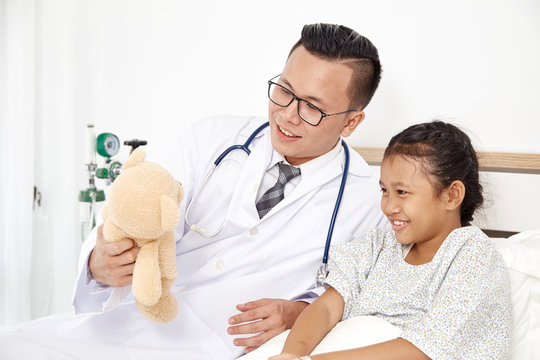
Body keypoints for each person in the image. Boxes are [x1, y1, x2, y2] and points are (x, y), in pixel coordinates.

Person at [0, 24, 387, 359]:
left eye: (312, 108)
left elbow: (368, 301)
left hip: (222, 345)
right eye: (284, 91)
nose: (287, 113)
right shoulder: (213, 139)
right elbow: (133, 205)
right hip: (124, 327)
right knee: (13, 344)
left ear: (352, 122)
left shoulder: (370, 202)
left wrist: (301, 313)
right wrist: (97, 265)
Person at [268, 121, 512, 360]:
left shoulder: (471, 255)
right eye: (384, 191)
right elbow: (326, 308)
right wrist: (293, 354)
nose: (389, 206)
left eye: (402, 192)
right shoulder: (377, 246)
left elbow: (424, 351)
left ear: (451, 195)